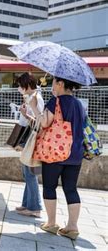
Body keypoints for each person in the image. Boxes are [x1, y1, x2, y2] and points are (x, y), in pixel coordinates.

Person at [29, 76, 85, 240]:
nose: (52, 86)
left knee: (49, 187)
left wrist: (34, 106)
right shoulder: (79, 104)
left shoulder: (56, 101)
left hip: (55, 153)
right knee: (71, 188)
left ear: (61, 84)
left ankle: (52, 223)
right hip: (75, 154)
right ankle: (72, 227)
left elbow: (44, 123)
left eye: (54, 82)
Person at [14, 73, 43, 217]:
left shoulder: (36, 98)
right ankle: (27, 203)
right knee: (27, 173)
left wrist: (26, 114)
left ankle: (35, 207)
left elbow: (39, 123)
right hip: (29, 139)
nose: (19, 88)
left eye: (20, 85)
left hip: (32, 139)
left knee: (30, 174)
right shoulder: (31, 97)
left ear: (26, 85)